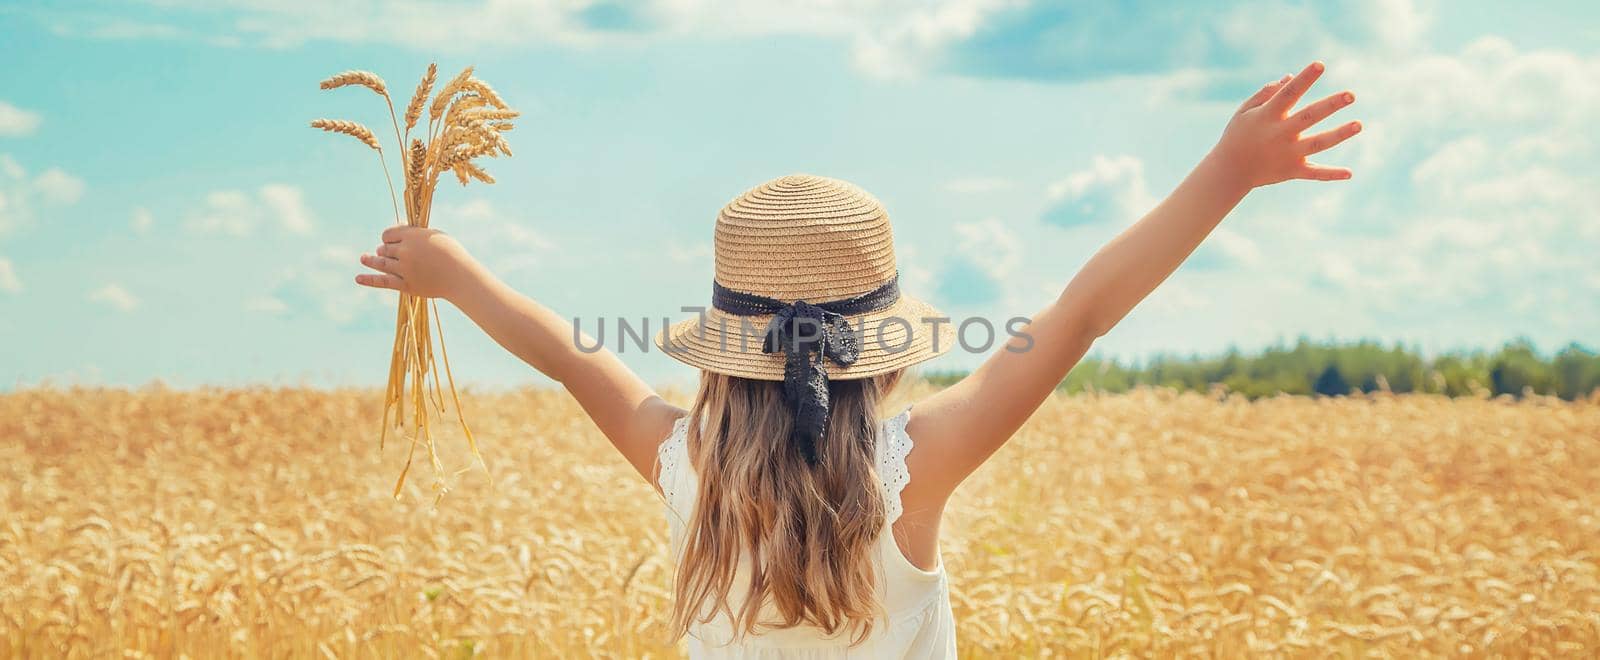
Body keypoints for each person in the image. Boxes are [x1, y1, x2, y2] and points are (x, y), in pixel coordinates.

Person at [354, 61, 1360, 658]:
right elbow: (1080, 314)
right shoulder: (915, 465)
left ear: (725, 347)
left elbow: (571, 358)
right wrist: (1228, 171)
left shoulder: (680, 464)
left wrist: (455, 273)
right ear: (881, 350)